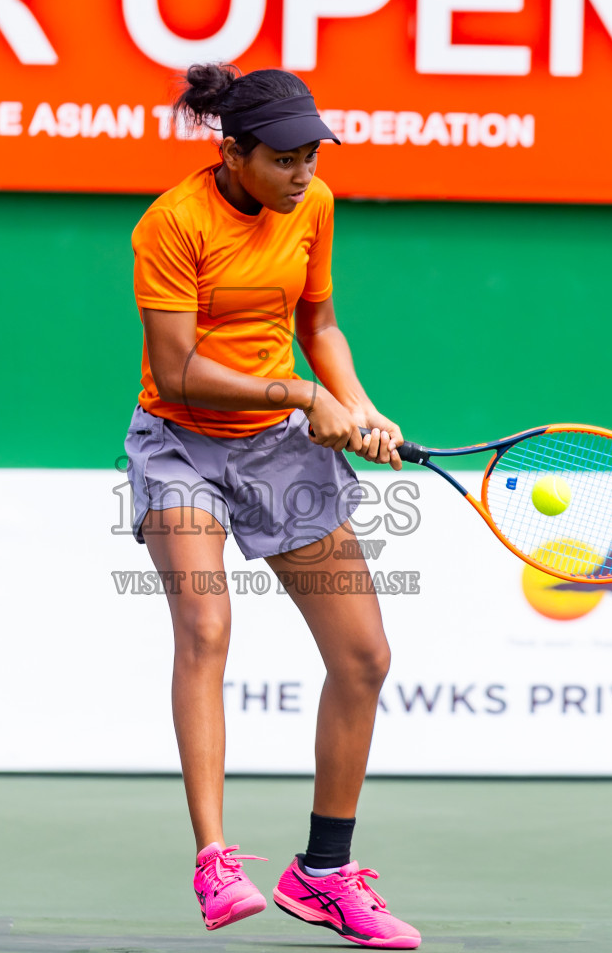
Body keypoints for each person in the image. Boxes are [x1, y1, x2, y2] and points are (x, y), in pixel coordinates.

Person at [122, 63, 421, 950]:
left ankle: (324, 874)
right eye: (285, 158)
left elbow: (320, 322)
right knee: (206, 630)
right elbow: (178, 369)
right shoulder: (171, 225)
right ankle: (216, 860)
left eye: (311, 156)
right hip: (180, 445)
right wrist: (299, 395)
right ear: (233, 151)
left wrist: (359, 407)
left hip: (279, 453)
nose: (303, 172)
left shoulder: (314, 206)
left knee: (364, 655)